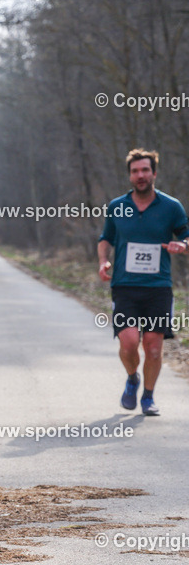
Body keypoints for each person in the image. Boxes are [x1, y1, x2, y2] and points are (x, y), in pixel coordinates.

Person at [98, 148, 188, 416]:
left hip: (158, 287)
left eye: (145, 170)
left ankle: (148, 396)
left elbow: (186, 235)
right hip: (124, 285)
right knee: (127, 342)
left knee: (154, 347)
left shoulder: (171, 206)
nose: (140, 175)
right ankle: (132, 378)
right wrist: (103, 261)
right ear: (130, 175)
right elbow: (106, 239)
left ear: (154, 173)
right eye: (135, 171)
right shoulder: (117, 206)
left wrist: (182, 246)